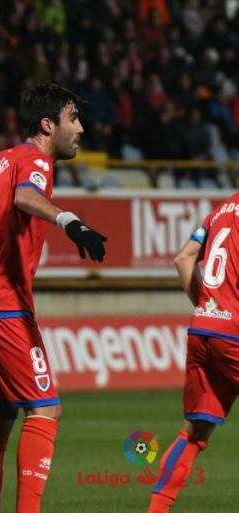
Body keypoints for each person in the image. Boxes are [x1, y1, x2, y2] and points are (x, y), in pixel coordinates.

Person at [0, 83, 107, 513]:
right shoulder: (34, 160)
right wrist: (68, 220)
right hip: (3, 303)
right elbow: (25, 197)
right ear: (48, 125)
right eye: (74, 119)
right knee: (45, 410)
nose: (81, 129)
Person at [147, 192, 239, 513]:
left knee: (194, 433)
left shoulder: (223, 209)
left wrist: (208, 307)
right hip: (235, 333)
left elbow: (183, 258)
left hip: (204, 328)